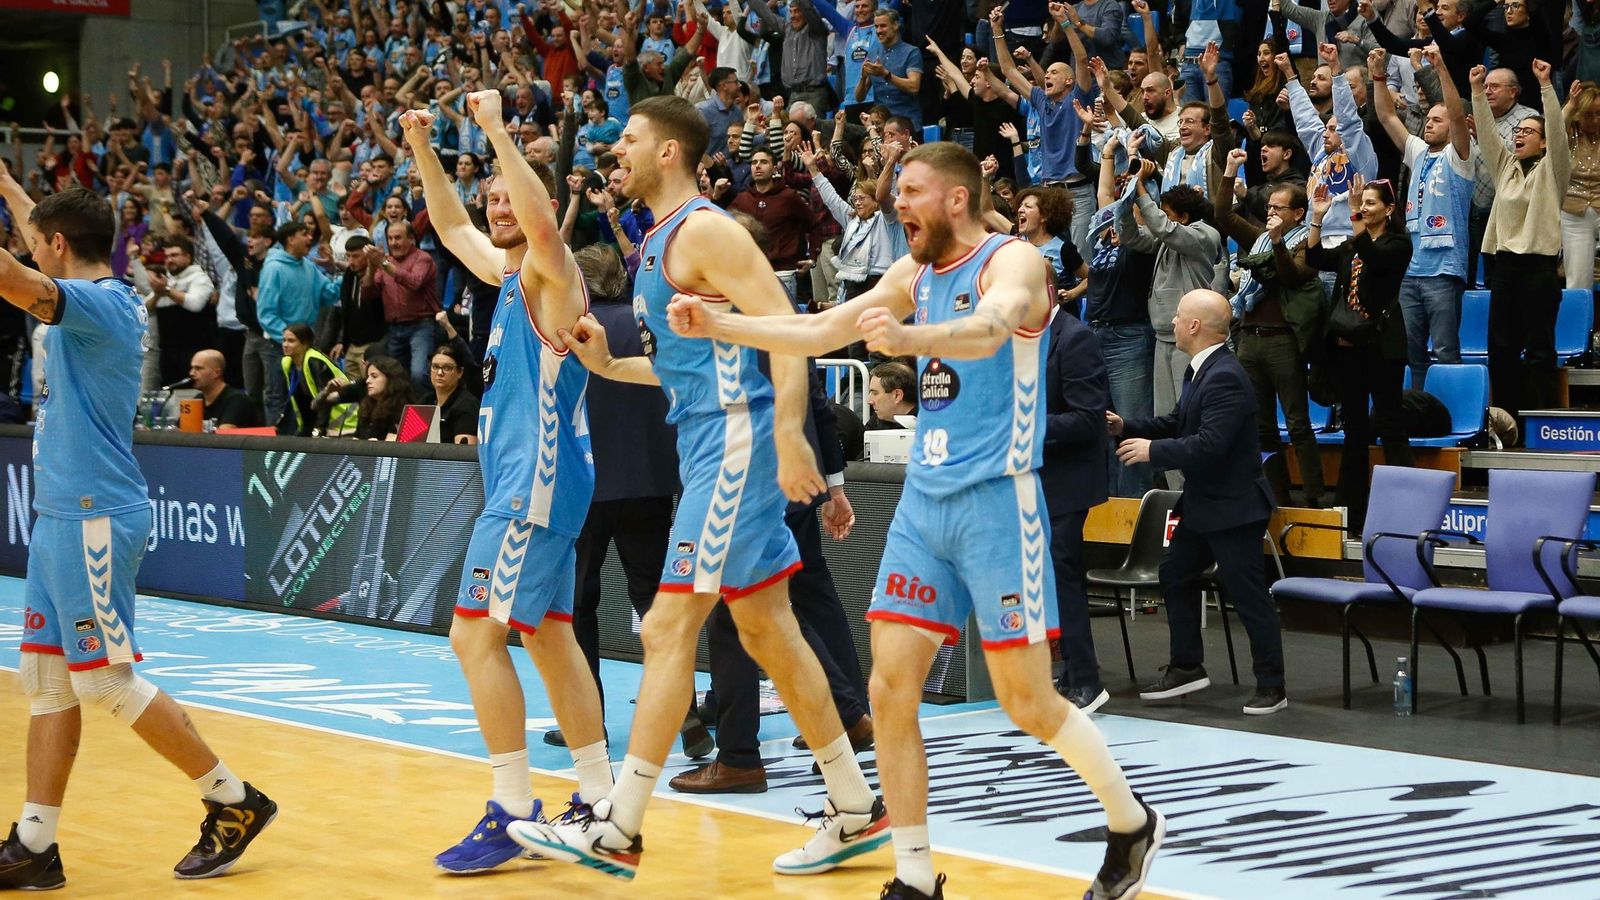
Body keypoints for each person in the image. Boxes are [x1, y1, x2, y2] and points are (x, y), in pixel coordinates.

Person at [664, 141, 1162, 900]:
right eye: (896, 192)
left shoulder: (1013, 264)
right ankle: (915, 876)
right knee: (891, 689)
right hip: (925, 508)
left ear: (955, 199)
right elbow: (819, 329)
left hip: (1000, 503)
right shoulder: (913, 274)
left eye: (911, 192)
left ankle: (1130, 823)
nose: (898, 203)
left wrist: (909, 340)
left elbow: (990, 331)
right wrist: (720, 325)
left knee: (1026, 702)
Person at [511, 95, 885, 881]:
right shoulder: (653, 245)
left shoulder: (705, 229)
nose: (618, 151)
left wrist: (789, 433)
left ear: (671, 153)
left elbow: (789, 326)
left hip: (737, 443)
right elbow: (691, 365)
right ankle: (854, 806)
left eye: (632, 141)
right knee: (769, 635)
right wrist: (612, 366)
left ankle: (618, 826)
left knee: (666, 629)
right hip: (706, 441)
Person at [0, 182, 276, 890]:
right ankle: (35, 844)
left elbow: (9, 275)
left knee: (105, 682)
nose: (34, 249)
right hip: (62, 513)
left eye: (40, 240)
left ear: (57, 245)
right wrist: (9, 184)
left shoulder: (95, 303)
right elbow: (36, 249)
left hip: (94, 512)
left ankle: (232, 799)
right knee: (45, 681)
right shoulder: (97, 289)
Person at [398, 88, 612, 875]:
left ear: (536, 201)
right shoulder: (507, 276)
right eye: (489, 196)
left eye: (505, 195)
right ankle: (597, 801)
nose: (493, 207)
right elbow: (450, 226)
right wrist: (424, 145)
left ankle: (514, 808)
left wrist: (495, 131)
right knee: (549, 635)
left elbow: (545, 227)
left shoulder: (552, 277)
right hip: (543, 485)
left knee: (472, 633)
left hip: (534, 487)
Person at [1112, 289, 1287, 716]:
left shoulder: (1225, 375)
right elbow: (1178, 422)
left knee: (1248, 597)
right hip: (1204, 503)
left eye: (1177, 317)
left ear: (1194, 326)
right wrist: (1126, 425)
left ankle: (1272, 685)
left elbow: (1210, 444)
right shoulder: (1201, 370)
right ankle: (1187, 665)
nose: (1171, 322)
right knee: (1175, 573)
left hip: (1234, 506)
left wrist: (1153, 451)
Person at [1213, 149, 1328, 508]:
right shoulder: (1259, 238)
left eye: (1279, 208)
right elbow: (1222, 215)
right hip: (1249, 338)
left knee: (1298, 424)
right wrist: (1231, 170)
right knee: (1261, 426)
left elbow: (1290, 277)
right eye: (1269, 208)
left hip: (1283, 343)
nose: (1271, 213)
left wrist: (1278, 241)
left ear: (1298, 214)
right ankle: (1275, 495)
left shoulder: (1307, 245)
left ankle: (1314, 499)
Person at [1306, 177, 1414, 530]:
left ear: (1389, 209)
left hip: (1381, 345)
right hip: (1347, 347)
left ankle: (1405, 507)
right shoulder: (1353, 245)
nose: (1364, 208)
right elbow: (1315, 256)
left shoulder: (1398, 244)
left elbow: (1375, 256)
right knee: (1354, 429)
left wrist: (1353, 215)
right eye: (1361, 203)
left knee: (1389, 423)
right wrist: (1318, 218)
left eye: (1370, 203)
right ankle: (1350, 512)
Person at [1471, 59, 1568, 423]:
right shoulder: (1506, 167)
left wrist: (1545, 85)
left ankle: (1543, 420)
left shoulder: (1554, 169)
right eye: (1518, 131)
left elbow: (1558, 131)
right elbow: (1485, 131)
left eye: (1529, 131)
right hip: (1505, 267)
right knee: (1500, 349)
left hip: (1540, 268)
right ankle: (1506, 421)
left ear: (1544, 144)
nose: (1520, 134)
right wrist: (1478, 92)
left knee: (1540, 349)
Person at [1043, 300, 1112, 711]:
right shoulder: (1025, 339)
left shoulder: (1075, 337)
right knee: (1050, 580)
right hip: (1036, 477)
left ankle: (1086, 678)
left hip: (1066, 479)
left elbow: (1089, 418)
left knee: (1063, 577)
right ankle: (1070, 673)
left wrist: (1024, 422)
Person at [256, 221, 339, 425]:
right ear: (291, 239)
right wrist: (290, 340)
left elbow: (328, 295)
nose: (310, 238)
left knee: (306, 398)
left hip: (305, 348)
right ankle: (275, 447)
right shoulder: (273, 269)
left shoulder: (308, 266)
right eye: (305, 234)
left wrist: (343, 272)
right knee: (278, 397)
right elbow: (266, 314)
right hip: (278, 347)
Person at [363, 219, 440, 387]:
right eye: (390, 238)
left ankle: (421, 412)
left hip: (421, 326)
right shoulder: (385, 262)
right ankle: (400, 413)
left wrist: (383, 263)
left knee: (419, 375)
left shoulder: (423, 259)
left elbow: (414, 282)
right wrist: (371, 265)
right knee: (395, 379)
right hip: (394, 329)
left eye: (398, 238)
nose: (393, 243)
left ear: (411, 239)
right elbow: (369, 293)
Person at [279, 322, 352, 436]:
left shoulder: (314, 361)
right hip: (311, 421)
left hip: (342, 422)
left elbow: (326, 397)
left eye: (291, 341)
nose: (285, 344)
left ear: (305, 344)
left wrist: (319, 430)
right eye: (284, 340)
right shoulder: (287, 363)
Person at [1561, 81, 1600, 291]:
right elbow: (1553, 130)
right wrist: (1570, 105)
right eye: (1588, 114)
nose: (1594, 120)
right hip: (1573, 211)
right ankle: (1578, 324)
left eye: (1599, 113)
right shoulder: (1567, 132)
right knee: (1577, 280)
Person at [189, 348, 260, 429]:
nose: (191, 373)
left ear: (217, 373)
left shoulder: (237, 400)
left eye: (198, 368)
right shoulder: (197, 400)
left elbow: (224, 436)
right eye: (192, 368)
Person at [427, 343, 479, 444]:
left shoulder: (467, 405)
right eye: (435, 367)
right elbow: (408, 444)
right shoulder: (424, 401)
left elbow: (463, 454)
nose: (439, 373)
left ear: (460, 372)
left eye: (447, 368)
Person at [867, 360, 917, 429]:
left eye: (875, 393)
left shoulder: (927, 426)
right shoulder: (878, 418)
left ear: (897, 395)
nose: (869, 401)